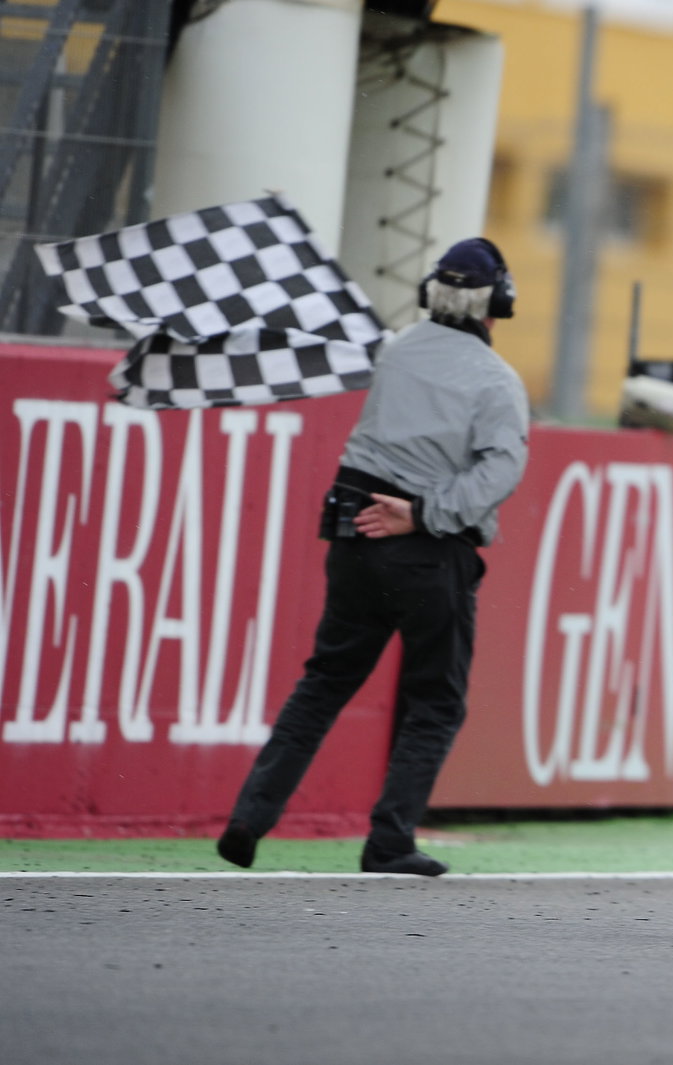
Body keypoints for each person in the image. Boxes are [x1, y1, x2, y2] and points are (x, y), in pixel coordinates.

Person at [216, 237, 530, 876]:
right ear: (496, 303)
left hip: (353, 531)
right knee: (435, 701)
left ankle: (249, 817)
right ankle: (389, 839)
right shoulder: (497, 379)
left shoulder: (396, 350)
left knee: (325, 681)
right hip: (426, 550)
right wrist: (425, 513)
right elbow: (503, 467)